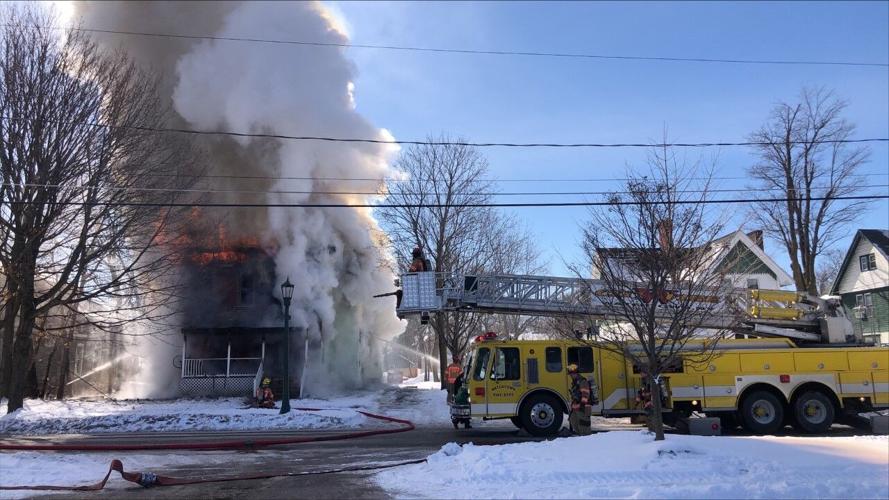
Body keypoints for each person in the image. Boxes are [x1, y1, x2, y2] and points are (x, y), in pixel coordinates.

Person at [567, 364, 593, 435]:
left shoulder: (582, 381)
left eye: (572, 374)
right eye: (570, 374)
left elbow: (585, 394)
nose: (571, 376)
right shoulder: (575, 382)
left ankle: (586, 443)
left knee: (584, 428)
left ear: (576, 373)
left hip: (583, 408)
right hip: (576, 408)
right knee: (574, 423)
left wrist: (582, 405)